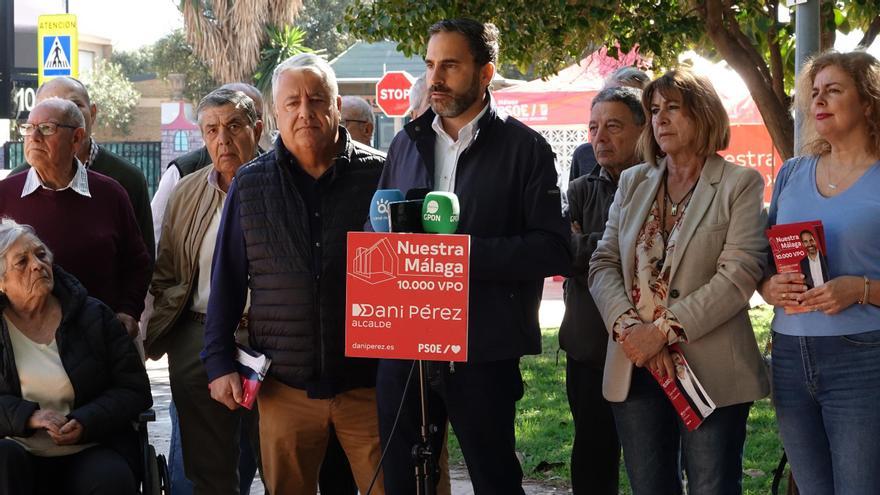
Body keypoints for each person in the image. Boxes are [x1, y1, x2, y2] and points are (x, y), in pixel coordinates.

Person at [374, 19, 570, 493]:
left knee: (494, 478)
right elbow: (376, 222)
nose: (436, 78)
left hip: (482, 349)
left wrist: (460, 259)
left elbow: (552, 247)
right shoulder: (405, 142)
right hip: (407, 345)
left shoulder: (527, 149)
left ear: (485, 73)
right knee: (402, 481)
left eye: (451, 65)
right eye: (430, 65)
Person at [202, 53, 386, 494]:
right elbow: (226, 281)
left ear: (337, 105)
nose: (305, 112)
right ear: (276, 113)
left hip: (370, 386)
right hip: (285, 388)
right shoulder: (250, 183)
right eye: (292, 102)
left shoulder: (381, 175)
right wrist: (218, 362)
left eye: (317, 99)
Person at [589, 68, 769, 494]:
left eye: (673, 108)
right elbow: (603, 262)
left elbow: (738, 275)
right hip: (636, 365)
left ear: (703, 114)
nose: (660, 119)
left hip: (710, 370)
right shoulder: (634, 181)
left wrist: (662, 332)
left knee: (712, 486)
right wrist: (633, 332)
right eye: (654, 110)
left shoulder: (739, 183)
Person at [759, 50, 880, 494]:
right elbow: (764, 261)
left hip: (863, 358)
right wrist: (769, 286)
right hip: (790, 355)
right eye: (814, 93)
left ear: (868, 102)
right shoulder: (793, 172)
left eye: (833, 90)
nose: (819, 101)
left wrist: (861, 289)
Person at [146, 88, 264, 495]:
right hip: (198, 338)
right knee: (207, 471)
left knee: (281, 462)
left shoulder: (281, 184)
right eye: (211, 129)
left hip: (269, 339)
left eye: (234, 126)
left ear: (258, 129)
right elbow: (166, 271)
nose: (223, 139)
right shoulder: (186, 191)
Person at [0, 219, 152, 494]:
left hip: (91, 446)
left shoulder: (93, 315)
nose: (37, 264)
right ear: (2, 283)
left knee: (110, 479)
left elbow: (134, 389)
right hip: (16, 450)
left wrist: (85, 421)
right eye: (21, 262)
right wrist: (29, 417)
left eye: (41, 254)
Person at [0, 99, 152, 339]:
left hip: (100, 338)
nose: (34, 136)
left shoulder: (110, 193)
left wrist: (128, 310)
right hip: (24, 342)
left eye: (47, 128)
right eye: (29, 128)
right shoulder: (5, 195)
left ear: (77, 138)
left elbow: (137, 263)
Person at [559, 85, 645, 495]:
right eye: (593, 127)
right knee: (593, 455)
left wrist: (589, 243)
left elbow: (660, 257)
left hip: (653, 344)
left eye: (613, 126)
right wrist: (617, 247)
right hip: (588, 346)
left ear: (643, 130)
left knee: (655, 458)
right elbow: (562, 254)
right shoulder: (580, 189)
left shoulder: (664, 184)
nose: (600, 137)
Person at [7, 77, 154, 256]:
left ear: (92, 113)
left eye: (74, 103)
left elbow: (141, 263)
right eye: (50, 105)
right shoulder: (13, 188)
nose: (64, 110)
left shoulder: (126, 180)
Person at [567, 66, 650, 183]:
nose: (612, 102)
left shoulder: (665, 165)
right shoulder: (584, 157)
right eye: (608, 95)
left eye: (630, 98)